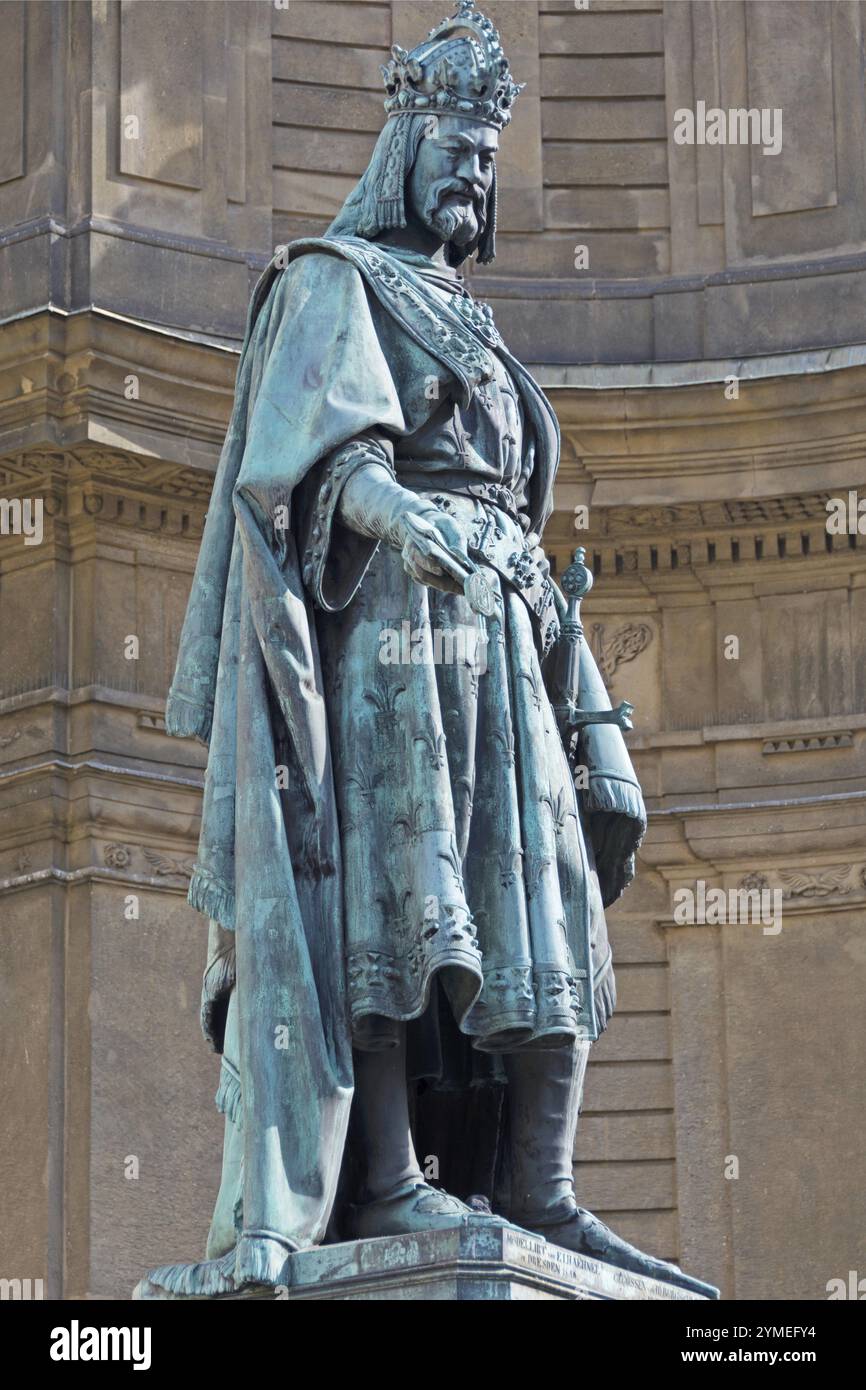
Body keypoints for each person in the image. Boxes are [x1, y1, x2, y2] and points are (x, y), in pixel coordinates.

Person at [137, 1, 711, 1300]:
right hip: (396, 629)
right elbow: (314, 456)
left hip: (505, 631)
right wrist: (392, 509)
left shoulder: (477, 320)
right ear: (406, 145)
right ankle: (388, 1171)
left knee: (547, 889)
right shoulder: (332, 280)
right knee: (398, 886)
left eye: (484, 157)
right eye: (453, 148)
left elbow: (516, 488)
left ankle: (539, 1188)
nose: (471, 174)